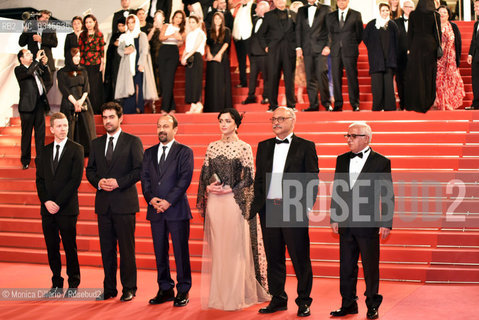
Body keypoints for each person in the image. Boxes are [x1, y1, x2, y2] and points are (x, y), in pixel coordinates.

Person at [197, 108, 269, 310]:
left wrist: (230, 189)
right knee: (219, 249)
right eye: (221, 121)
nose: (223, 124)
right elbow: (205, 174)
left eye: (227, 121)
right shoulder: (212, 146)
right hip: (215, 203)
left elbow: (249, 177)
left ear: (236, 123)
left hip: (234, 203)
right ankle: (219, 295)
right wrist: (209, 186)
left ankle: (236, 295)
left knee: (235, 249)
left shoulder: (244, 147)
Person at [251, 107, 319, 317]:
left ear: (292, 121)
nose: (276, 122)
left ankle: (304, 301)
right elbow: (259, 180)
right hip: (269, 208)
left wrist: (306, 206)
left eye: (281, 118)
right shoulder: (263, 146)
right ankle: (278, 298)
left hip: (294, 209)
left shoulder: (306, 146)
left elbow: (312, 179)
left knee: (300, 258)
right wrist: (258, 206)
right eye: (274, 118)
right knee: (274, 258)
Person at [329, 122, 394, 320]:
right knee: (346, 266)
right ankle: (348, 304)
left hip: (368, 222)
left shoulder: (381, 161)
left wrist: (386, 221)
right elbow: (337, 189)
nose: (348, 139)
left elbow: (387, 193)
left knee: (370, 266)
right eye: (347, 135)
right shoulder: (341, 160)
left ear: (366, 138)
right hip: (346, 222)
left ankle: (372, 304)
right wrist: (334, 216)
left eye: (353, 136)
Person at [86, 102, 144, 302]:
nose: (107, 121)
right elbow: (90, 171)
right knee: (107, 249)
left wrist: (118, 182)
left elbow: (139, 171)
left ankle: (129, 288)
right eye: (104, 117)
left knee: (127, 250)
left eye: (111, 117)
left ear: (120, 119)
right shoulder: (96, 143)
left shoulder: (132, 141)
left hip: (124, 203)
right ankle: (109, 288)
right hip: (103, 204)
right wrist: (99, 182)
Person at [141, 115, 194, 307]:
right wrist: (150, 199)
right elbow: (145, 178)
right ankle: (165, 288)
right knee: (159, 251)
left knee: (181, 251)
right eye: (159, 126)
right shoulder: (149, 153)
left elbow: (184, 179)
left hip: (176, 209)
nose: (162, 129)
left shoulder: (184, 151)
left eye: (166, 126)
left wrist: (168, 201)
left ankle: (183, 289)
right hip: (155, 210)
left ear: (175, 129)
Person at [35, 112, 84, 298]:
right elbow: (40, 180)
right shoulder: (44, 151)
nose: (63, 129)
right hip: (47, 209)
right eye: (60, 126)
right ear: (52, 129)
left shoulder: (76, 149)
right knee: (51, 246)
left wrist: (57, 203)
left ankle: (73, 282)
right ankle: (56, 283)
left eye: (65, 125)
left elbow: (75, 180)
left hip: (67, 208)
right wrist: (46, 201)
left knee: (70, 246)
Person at [258, 0, 297, 111]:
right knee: (273, 78)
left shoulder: (293, 14)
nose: (280, 1)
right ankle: (273, 106)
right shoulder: (269, 15)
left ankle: (291, 105)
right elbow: (261, 34)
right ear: (274, 2)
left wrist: (296, 46)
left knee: (289, 78)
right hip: (274, 50)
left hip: (289, 51)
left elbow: (297, 32)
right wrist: (265, 46)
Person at [15, 48, 51, 170]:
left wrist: (45, 65)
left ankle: (40, 160)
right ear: (21, 58)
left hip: (40, 105)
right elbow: (28, 73)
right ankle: (25, 160)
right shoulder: (19, 69)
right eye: (27, 54)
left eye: (31, 54)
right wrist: (36, 60)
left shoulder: (36, 67)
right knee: (27, 134)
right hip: (27, 107)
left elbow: (47, 79)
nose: (30, 55)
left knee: (40, 135)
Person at [115, 14, 158, 114]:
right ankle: (130, 108)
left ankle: (139, 107)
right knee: (129, 86)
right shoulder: (124, 36)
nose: (130, 25)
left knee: (138, 85)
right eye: (128, 23)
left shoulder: (141, 35)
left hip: (138, 64)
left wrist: (141, 63)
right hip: (127, 65)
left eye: (132, 22)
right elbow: (120, 50)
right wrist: (127, 51)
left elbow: (144, 50)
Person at [57, 48, 96, 156]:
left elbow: (86, 87)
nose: (78, 58)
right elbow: (63, 88)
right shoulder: (62, 72)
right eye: (75, 56)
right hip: (69, 101)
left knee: (87, 127)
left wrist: (81, 101)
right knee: (70, 128)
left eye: (79, 56)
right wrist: (75, 102)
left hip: (83, 101)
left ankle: (88, 152)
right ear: (70, 57)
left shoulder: (83, 70)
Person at [326, 0, 363, 112]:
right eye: (339, 0)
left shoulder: (356, 14)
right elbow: (328, 33)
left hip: (350, 50)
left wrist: (350, 44)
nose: (341, 2)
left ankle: (355, 104)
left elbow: (359, 34)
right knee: (336, 78)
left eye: (344, 0)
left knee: (352, 77)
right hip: (335, 51)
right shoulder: (330, 16)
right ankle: (338, 104)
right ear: (336, 2)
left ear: (348, 1)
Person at [404, 0, 441, 113]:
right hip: (431, 47)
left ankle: (416, 102)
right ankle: (428, 101)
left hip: (416, 47)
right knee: (429, 74)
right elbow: (437, 33)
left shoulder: (413, 14)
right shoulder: (435, 15)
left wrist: (409, 48)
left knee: (417, 74)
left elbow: (410, 33)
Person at [296, 0, 331, 111]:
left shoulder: (326, 9)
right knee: (310, 77)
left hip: (321, 48)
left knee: (321, 74)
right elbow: (298, 29)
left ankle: (326, 103)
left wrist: (328, 46)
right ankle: (313, 105)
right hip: (306, 49)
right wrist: (298, 47)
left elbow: (330, 29)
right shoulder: (301, 10)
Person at [363, 3, 399, 111]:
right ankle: (377, 108)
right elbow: (365, 38)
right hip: (376, 61)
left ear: (389, 12)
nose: (385, 13)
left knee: (389, 87)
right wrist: (374, 50)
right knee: (377, 87)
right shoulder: (371, 24)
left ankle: (389, 108)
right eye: (383, 10)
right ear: (379, 12)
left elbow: (397, 41)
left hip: (389, 61)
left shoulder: (393, 25)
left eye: (387, 10)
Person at [18, 9, 57, 91]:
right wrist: (25, 30)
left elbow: (55, 43)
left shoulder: (51, 28)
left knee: (49, 83)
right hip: (34, 62)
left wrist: (41, 40)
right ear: (38, 17)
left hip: (47, 62)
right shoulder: (30, 28)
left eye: (47, 18)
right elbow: (21, 43)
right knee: (34, 85)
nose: (46, 20)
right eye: (44, 17)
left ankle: (40, 100)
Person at [435, 5, 465, 110]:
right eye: (440, 12)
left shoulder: (453, 26)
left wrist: (458, 59)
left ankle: (449, 103)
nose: (442, 14)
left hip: (450, 59)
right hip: (438, 60)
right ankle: (440, 103)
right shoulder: (434, 27)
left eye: (444, 12)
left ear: (448, 15)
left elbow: (458, 43)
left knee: (451, 81)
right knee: (438, 81)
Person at [242, 1, 270, 105]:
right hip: (253, 53)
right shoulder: (254, 19)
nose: (255, 10)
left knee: (266, 77)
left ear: (263, 9)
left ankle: (266, 96)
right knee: (252, 77)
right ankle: (251, 96)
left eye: (257, 8)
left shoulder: (270, 20)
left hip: (264, 53)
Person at [158, 10, 186, 114]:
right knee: (164, 81)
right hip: (163, 51)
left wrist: (178, 37)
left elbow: (180, 43)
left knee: (169, 80)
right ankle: (172, 107)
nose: (178, 19)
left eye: (180, 18)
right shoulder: (166, 26)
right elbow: (161, 38)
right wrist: (171, 36)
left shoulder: (182, 30)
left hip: (173, 52)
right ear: (173, 17)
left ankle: (164, 108)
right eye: (176, 17)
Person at [204, 12, 233, 112]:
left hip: (222, 57)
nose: (217, 20)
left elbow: (226, 43)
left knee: (221, 82)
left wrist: (219, 54)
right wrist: (208, 54)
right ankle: (211, 106)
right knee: (212, 81)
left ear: (222, 20)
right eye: (215, 19)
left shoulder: (227, 31)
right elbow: (207, 44)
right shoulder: (209, 31)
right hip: (211, 57)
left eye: (219, 19)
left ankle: (222, 106)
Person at [78, 14, 105, 114]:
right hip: (84, 63)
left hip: (96, 63)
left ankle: (96, 109)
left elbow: (102, 50)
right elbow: (80, 50)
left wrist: (102, 63)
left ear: (94, 22)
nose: (88, 24)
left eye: (90, 22)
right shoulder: (82, 35)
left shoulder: (99, 34)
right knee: (86, 85)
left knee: (95, 86)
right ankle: (86, 108)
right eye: (86, 22)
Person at [181, 15, 207, 113]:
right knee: (190, 81)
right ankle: (193, 104)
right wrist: (183, 57)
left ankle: (198, 103)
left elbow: (195, 47)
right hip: (189, 57)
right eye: (190, 22)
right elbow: (186, 47)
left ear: (197, 23)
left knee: (196, 80)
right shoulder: (189, 34)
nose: (191, 24)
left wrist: (186, 57)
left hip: (196, 57)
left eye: (193, 22)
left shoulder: (200, 33)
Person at [394, 0, 415, 110]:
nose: (409, 9)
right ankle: (403, 104)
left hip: (414, 57)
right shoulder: (396, 22)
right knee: (400, 80)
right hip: (400, 56)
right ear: (403, 8)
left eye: (411, 7)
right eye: (407, 7)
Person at [232, 0, 256, 88]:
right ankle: (243, 81)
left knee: (253, 61)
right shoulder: (239, 8)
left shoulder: (253, 6)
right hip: (238, 37)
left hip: (249, 37)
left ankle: (253, 83)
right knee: (241, 61)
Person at [104, 17, 126, 102]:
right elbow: (112, 47)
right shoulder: (114, 36)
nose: (121, 28)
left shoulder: (128, 35)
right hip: (115, 62)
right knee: (115, 81)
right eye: (119, 26)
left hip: (125, 62)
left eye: (122, 25)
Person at [147, 10, 165, 100]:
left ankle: (163, 91)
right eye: (156, 17)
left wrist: (161, 27)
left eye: (159, 17)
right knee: (155, 72)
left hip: (163, 52)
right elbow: (147, 39)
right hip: (153, 53)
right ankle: (157, 91)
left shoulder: (166, 27)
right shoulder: (151, 28)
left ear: (163, 18)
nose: (157, 19)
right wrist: (154, 28)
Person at [467, 0, 479, 110]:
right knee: (475, 81)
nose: (475, 9)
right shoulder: (476, 24)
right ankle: (476, 104)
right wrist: (470, 54)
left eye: (476, 6)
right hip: (476, 57)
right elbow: (473, 40)